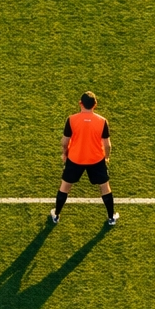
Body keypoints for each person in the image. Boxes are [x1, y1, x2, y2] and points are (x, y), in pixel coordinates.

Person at [51, 91, 118, 226]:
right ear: (95, 105)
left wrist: (65, 153)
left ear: (80, 103)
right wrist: (106, 158)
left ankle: (56, 215)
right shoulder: (102, 121)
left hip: (75, 159)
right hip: (96, 160)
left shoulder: (71, 119)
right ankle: (111, 218)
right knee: (105, 187)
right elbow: (107, 145)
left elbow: (64, 142)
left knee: (65, 186)